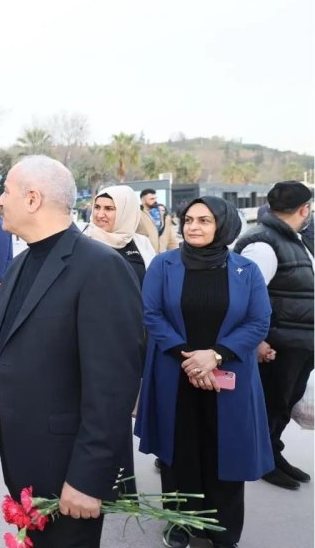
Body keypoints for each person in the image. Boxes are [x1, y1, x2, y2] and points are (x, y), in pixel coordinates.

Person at [0, 156, 144, 548]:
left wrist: (87, 477)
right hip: (23, 455)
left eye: (6, 192)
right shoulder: (21, 263)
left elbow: (113, 387)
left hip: (68, 465)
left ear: (32, 199)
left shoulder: (101, 267)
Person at [135, 197, 272, 548]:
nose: (194, 227)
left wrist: (215, 355)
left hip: (228, 377)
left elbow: (259, 320)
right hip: (174, 373)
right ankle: (180, 523)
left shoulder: (246, 270)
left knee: (224, 452)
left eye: (204, 220)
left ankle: (222, 529)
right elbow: (152, 314)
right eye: (189, 219)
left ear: (222, 225)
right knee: (178, 452)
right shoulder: (163, 265)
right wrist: (191, 360)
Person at [235, 181, 314, 490]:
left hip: (297, 342)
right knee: (271, 406)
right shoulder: (263, 243)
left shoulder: (290, 238)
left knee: (282, 405)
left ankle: (273, 454)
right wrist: (258, 341)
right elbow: (245, 298)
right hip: (277, 346)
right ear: (304, 209)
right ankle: (264, 461)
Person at [85, 185, 156, 286]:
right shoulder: (83, 240)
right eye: (97, 207)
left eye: (108, 209)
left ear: (126, 212)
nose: (100, 215)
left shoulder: (142, 243)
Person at [138, 189, 179, 254]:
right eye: (151, 199)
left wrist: (176, 254)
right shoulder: (137, 215)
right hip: (145, 255)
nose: (155, 201)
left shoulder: (164, 215)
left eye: (155, 198)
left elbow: (171, 238)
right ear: (143, 200)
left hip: (162, 255)